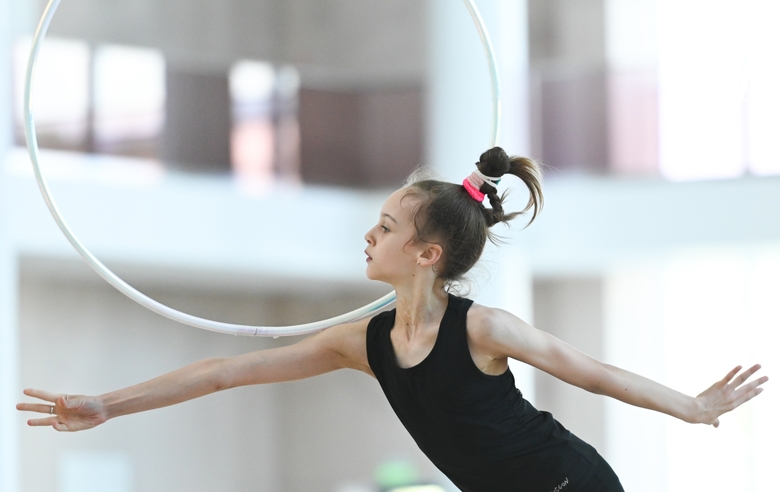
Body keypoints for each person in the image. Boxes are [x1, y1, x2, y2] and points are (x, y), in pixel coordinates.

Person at [18, 147, 768, 491]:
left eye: (385, 226)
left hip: (568, 483)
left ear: (428, 253)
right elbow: (223, 374)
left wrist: (695, 409)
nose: (369, 236)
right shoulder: (363, 343)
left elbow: (593, 373)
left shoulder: (483, 330)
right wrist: (107, 404)